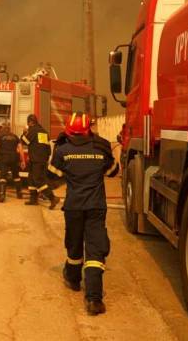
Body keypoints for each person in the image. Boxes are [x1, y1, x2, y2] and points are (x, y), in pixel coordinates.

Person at [51, 112, 115, 316]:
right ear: (89, 129)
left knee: (74, 244)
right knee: (95, 250)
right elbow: (113, 171)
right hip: (96, 207)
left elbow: (53, 174)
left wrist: (65, 162)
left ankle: (73, 280)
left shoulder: (63, 150)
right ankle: (94, 299)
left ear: (68, 131)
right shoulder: (100, 148)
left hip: (73, 207)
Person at [20, 114, 59, 209]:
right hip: (42, 159)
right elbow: (48, 147)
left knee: (38, 180)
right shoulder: (44, 132)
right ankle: (33, 199)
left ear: (30, 122)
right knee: (31, 178)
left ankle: (52, 198)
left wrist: (24, 133)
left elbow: (24, 141)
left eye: (28, 123)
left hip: (36, 160)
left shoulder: (33, 130)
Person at [0, 124, 23, 203]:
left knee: (3, 176)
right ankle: (19, 193)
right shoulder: (15, 137)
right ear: (10, 130)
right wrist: (22, 160)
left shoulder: (0, 136)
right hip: (14, 158)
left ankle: (2, 195)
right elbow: (20, 149)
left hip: (4, 158)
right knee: (16, 175)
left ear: (3, 130)